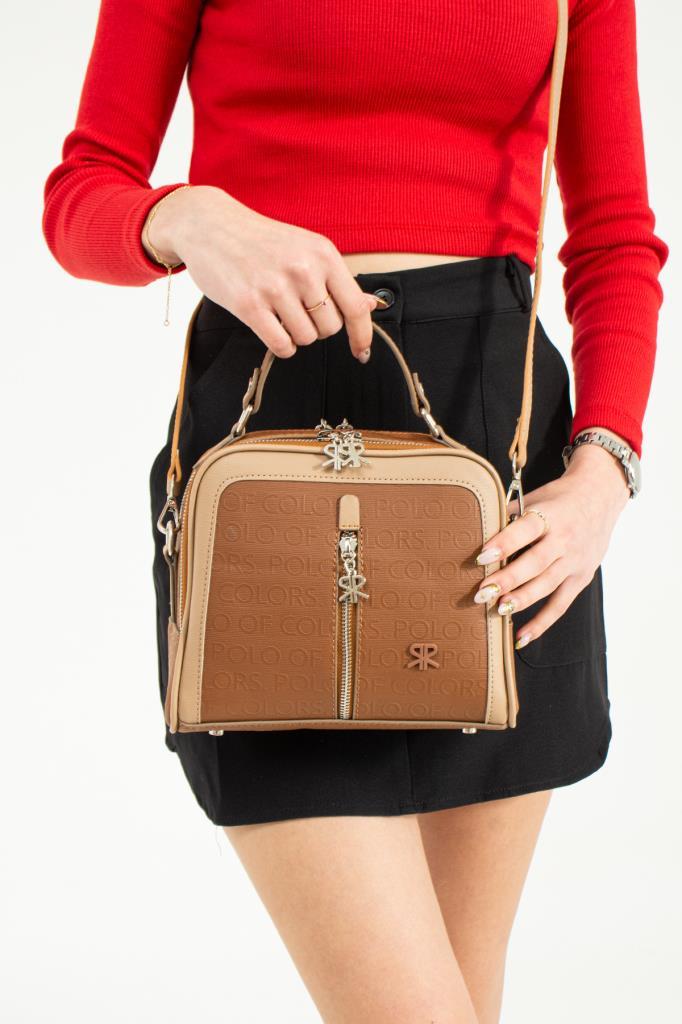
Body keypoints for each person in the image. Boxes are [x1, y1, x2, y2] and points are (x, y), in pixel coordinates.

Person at [42, 1, 668, 1020]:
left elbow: (614, 241)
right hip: (268, 472)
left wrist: (605, 470)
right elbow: (81, 199)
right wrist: (187, 216)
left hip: (500, 483)